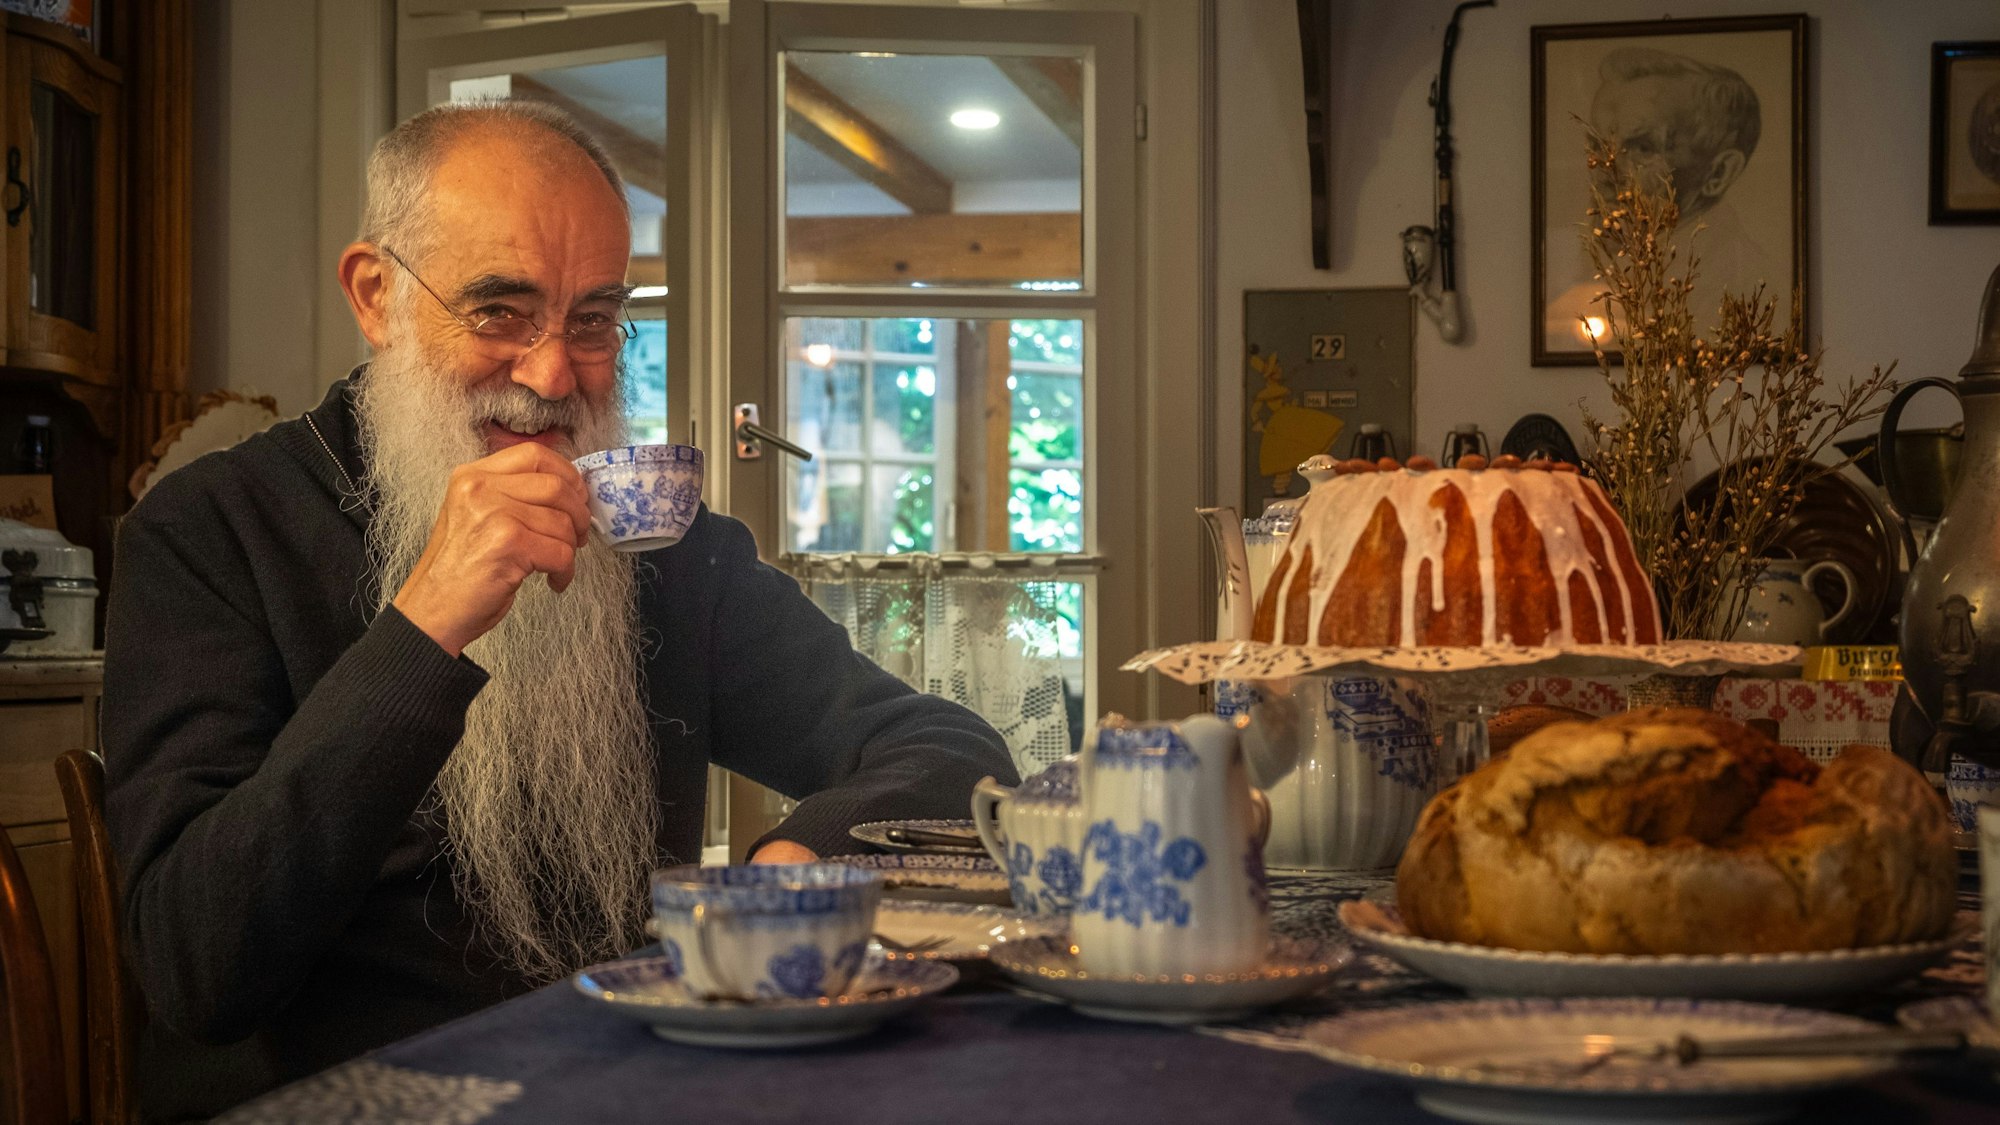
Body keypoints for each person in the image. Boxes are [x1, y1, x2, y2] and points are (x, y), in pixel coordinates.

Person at [101, 99, 1015, 1118]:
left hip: (630, 1086)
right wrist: (422, 630)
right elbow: (196, 971)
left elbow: (946, 750)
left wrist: (797, 867)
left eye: (592, 320)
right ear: (375, 295)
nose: (552, 375)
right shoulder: (210, 530)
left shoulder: (659, 546)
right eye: (498, 310)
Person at [1547, 46, 1782, 345]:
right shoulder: (1587, 271)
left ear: (1718, 173)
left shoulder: (1743, 286)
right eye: (1596, 146)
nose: (1603, 172)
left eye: (1642, 148)